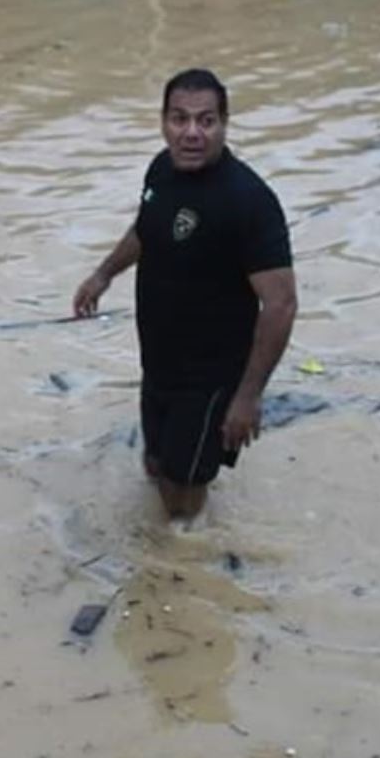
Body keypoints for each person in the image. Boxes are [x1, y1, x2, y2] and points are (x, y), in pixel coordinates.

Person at [72, 69, 296, 522]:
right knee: (155, 466)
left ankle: (182, 570)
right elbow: (147, 228)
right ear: (163, 122)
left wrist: (248, 398)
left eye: (206, 121)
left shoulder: (249, 201)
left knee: (184, 491)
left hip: (210, 378)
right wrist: (102, 275)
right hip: (158, 361)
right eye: (179, 119)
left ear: (225, 124)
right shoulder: (161, 168)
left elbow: (281, 303)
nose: (191, 133)